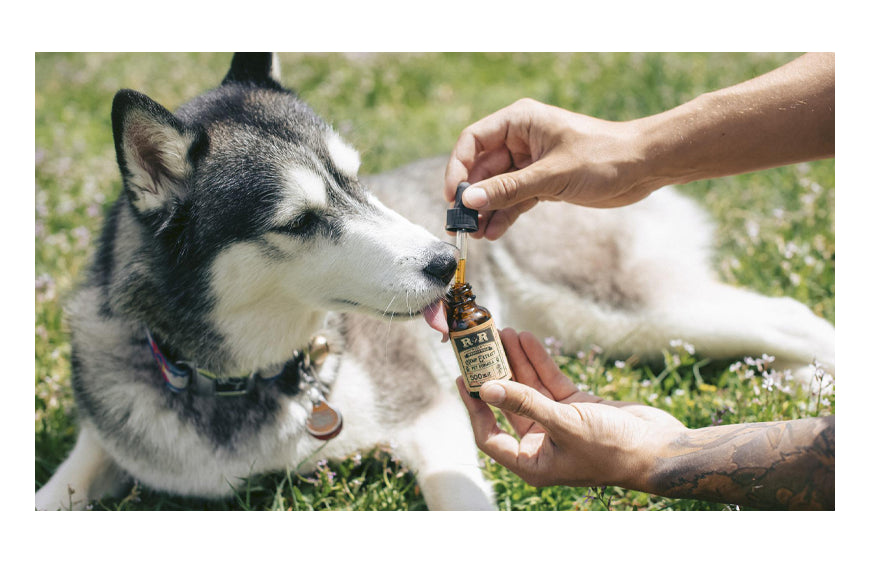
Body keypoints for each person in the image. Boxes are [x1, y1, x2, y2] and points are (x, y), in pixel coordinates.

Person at [445, 53, 835, 510]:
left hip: (564, 244)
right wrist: (635, 150)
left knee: (654, 317)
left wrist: (650, 457)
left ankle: (803, 339)